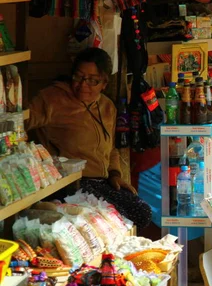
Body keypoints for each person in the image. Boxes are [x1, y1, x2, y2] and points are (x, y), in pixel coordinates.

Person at [26, 47, 152, 228]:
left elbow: (111, 148)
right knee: (108, 221)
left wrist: (115, 174)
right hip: (70, 183)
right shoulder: (52, 99)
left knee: (141, 212)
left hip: (102, 182)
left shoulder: (107, 107)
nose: (83, 85)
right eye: (79, 77)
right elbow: (23, 120)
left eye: (93, 80)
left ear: (104, 83)